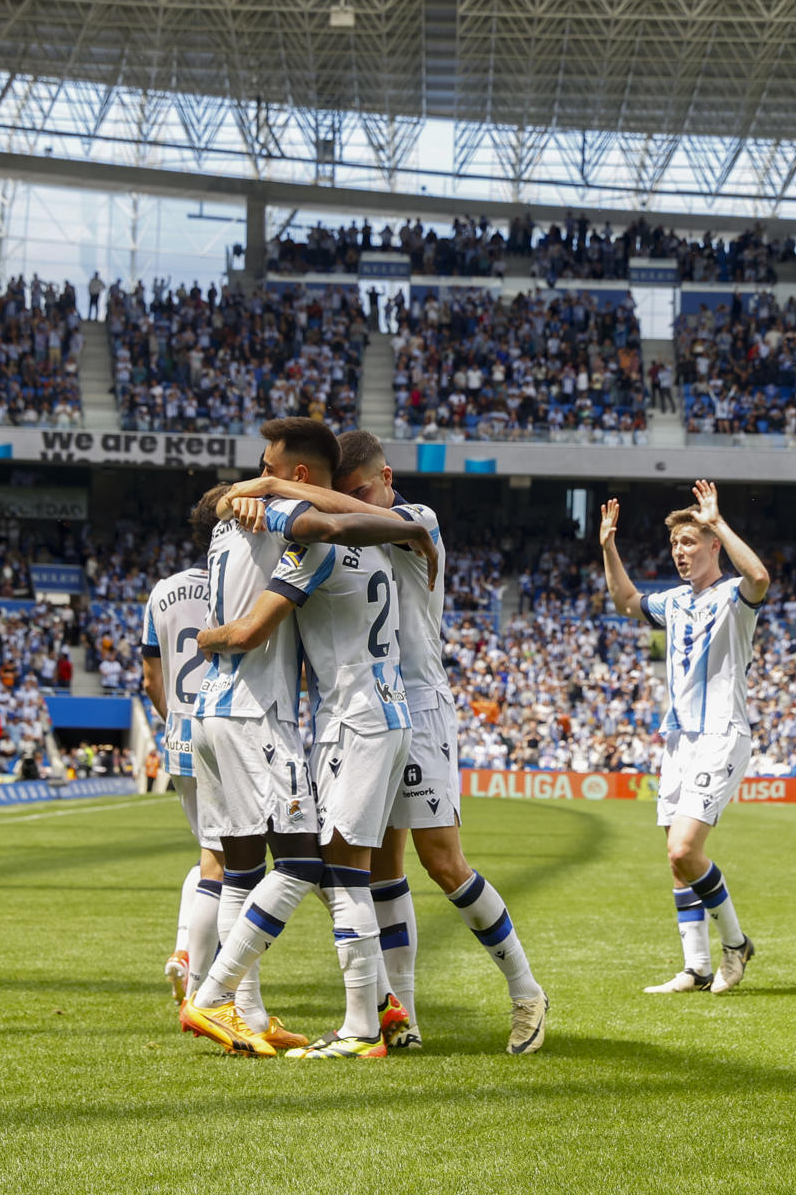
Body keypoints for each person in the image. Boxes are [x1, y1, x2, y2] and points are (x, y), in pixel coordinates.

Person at [220, 429, 548, 1053]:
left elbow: (363, 520)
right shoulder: (347, 527)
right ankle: (403, 1018)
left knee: (443, 862)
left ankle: (526, 991)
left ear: (387, 478)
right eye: (339, 493)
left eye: (360, 490)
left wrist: (268, 484)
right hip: (369, 708)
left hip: (419, 706)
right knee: (377, 872)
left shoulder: (415, 516)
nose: (349, 502)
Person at [178, 418, 437, 1059]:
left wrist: (206, 637)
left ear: (296, 478)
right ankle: (252, 1005)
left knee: (278, 869)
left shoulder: (270, 523)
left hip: (281, 714)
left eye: (269, 466)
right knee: (316, 869)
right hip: (308, 715)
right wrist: (412, 528)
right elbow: (341, 520)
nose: (258, 476)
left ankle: (270, 1012)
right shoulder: (361, 533)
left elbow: (329, 523)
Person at [599, 481, 769, 995]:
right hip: (678, 739)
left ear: (713, 546)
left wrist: (716, 520)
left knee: (683, 850)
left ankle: (735, 944)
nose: (680, 552)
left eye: (690, 542)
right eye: (675, 545)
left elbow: (759, 576)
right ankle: (695, 967)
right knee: (676, 862)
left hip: (721, 733)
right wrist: (609, 546)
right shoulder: (672, 602)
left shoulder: (734, 597)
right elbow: (626, 600)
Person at [141, 486, 227, 1007]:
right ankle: (209, 990)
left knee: (210, 855)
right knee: (233, 863)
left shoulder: (162, 590)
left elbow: (152, 677)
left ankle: (186, 954)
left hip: (181, 739)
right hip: (231, 732)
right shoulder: (241, 586)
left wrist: (175, 721)